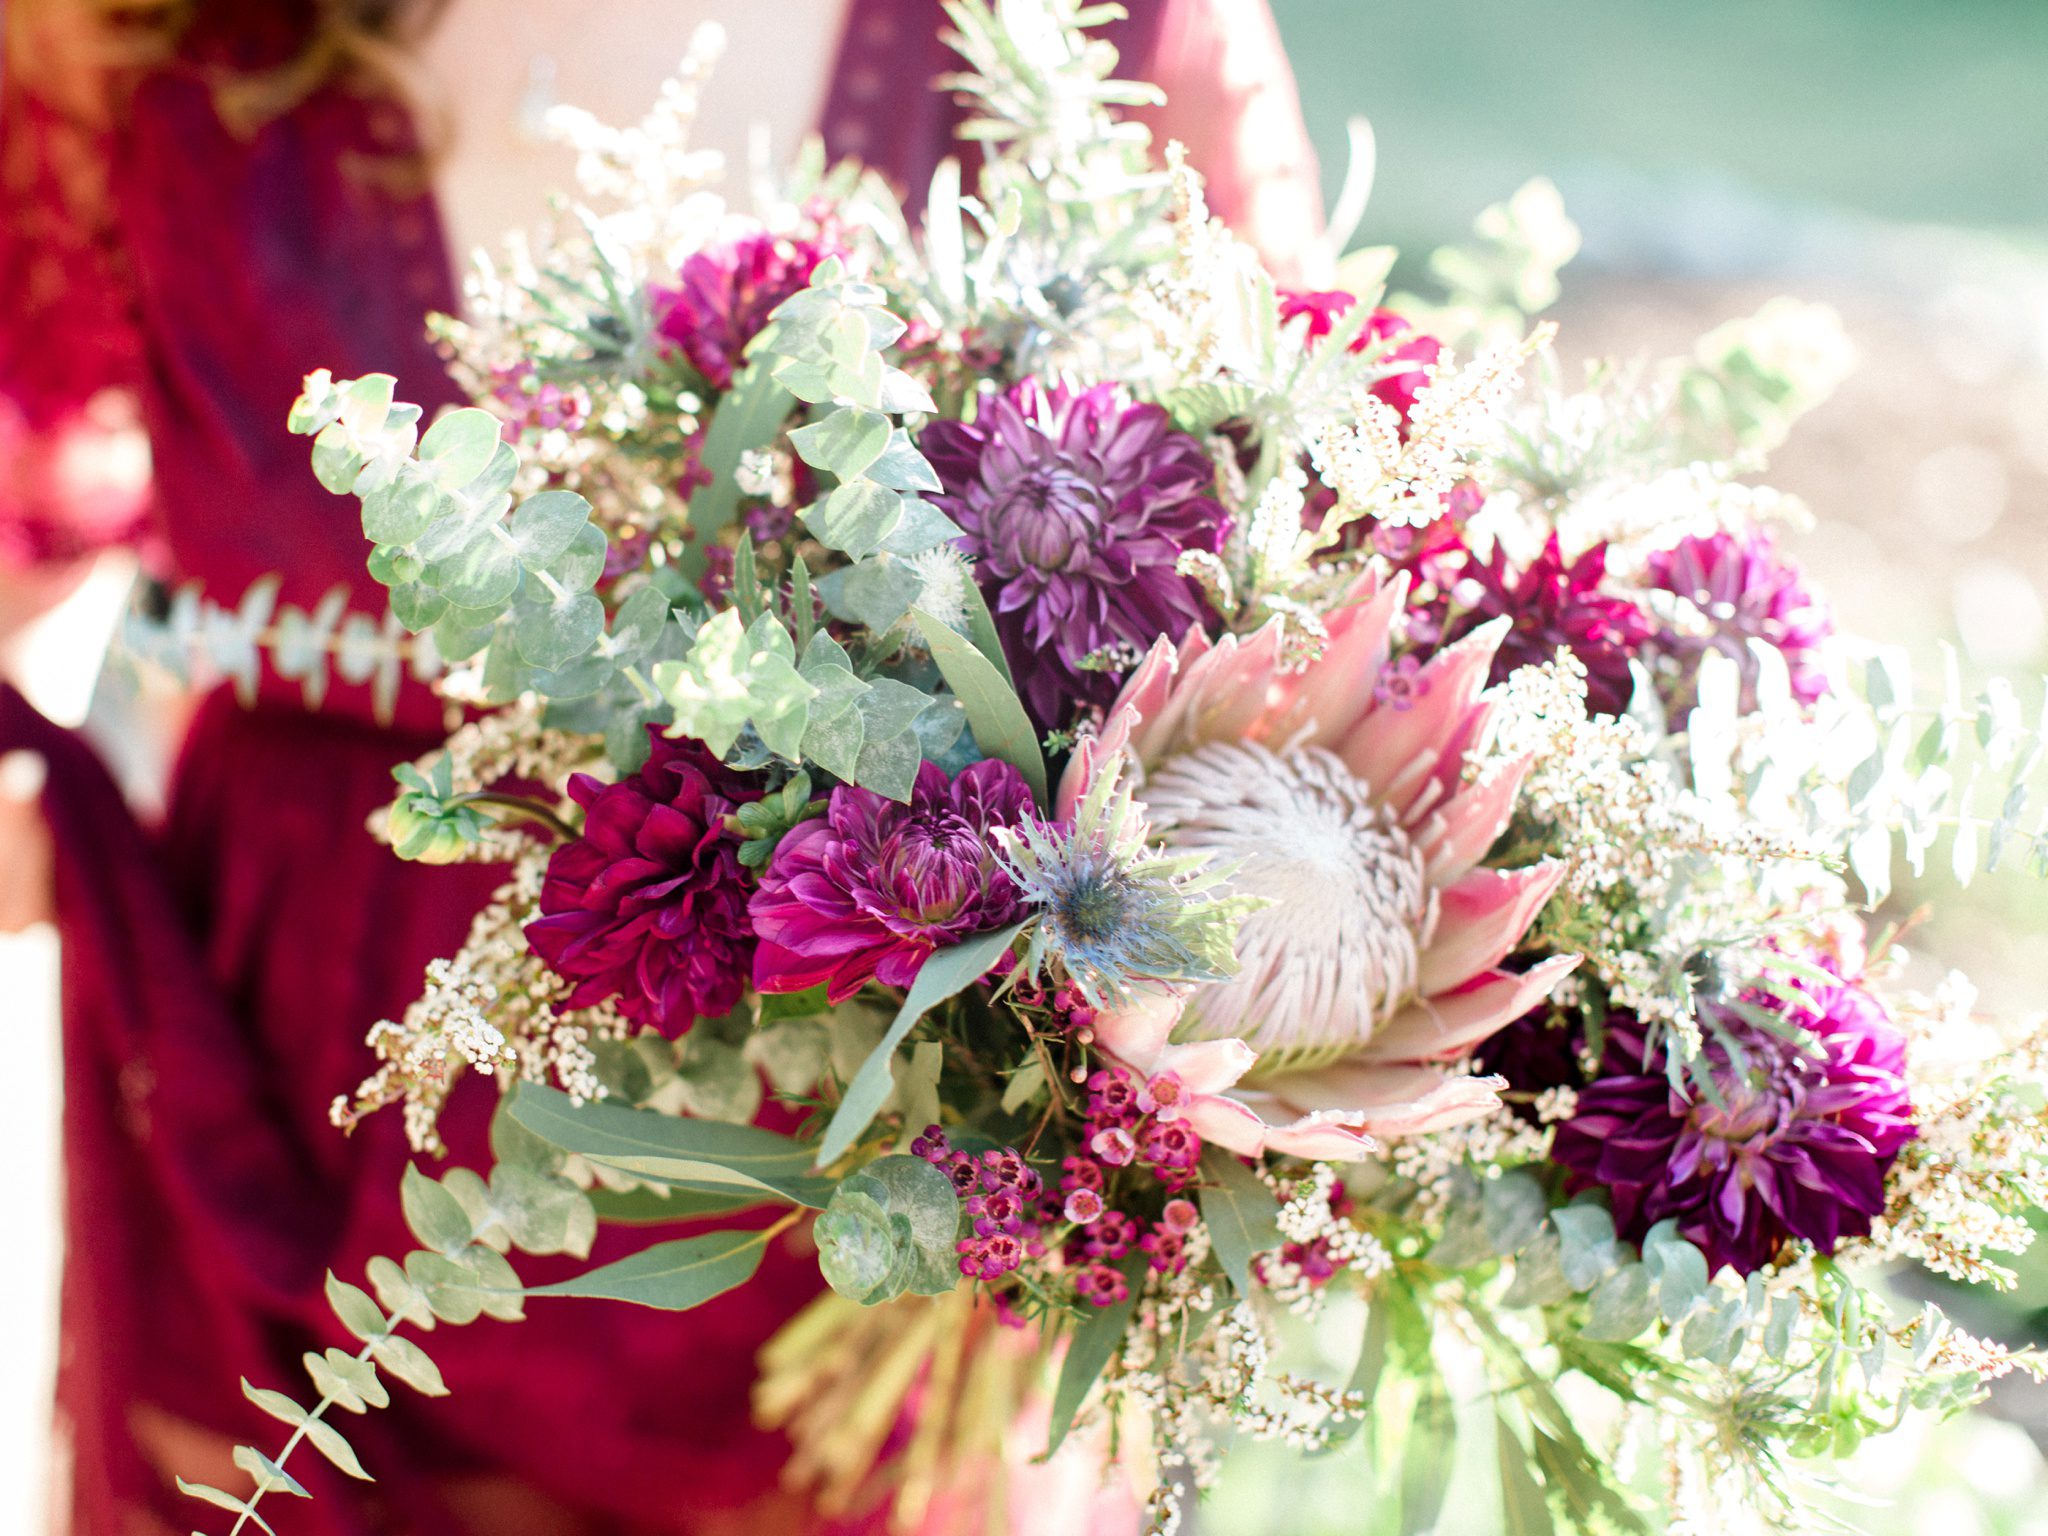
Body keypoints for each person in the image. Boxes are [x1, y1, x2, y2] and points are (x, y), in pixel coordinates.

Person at [0, 2, 1323, 1531]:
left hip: (858, 1254)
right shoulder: (128, 32)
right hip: (273, 1175)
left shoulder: (1095, 30)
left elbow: (1293, 580)